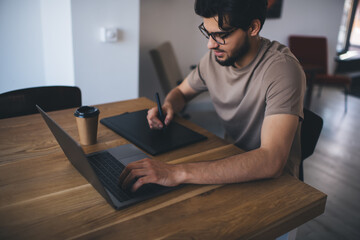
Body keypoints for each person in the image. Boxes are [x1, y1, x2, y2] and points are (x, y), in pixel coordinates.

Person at [119, 0, 306, 193]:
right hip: (230, 161)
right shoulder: (215, 59)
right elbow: (181, 92)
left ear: (253, 27)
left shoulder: (282, 69)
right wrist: (168, 105)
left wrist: (177, 173)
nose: (210, 44)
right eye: (208, 33)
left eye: (221, 35)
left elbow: (271, 161)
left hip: (277, 187)